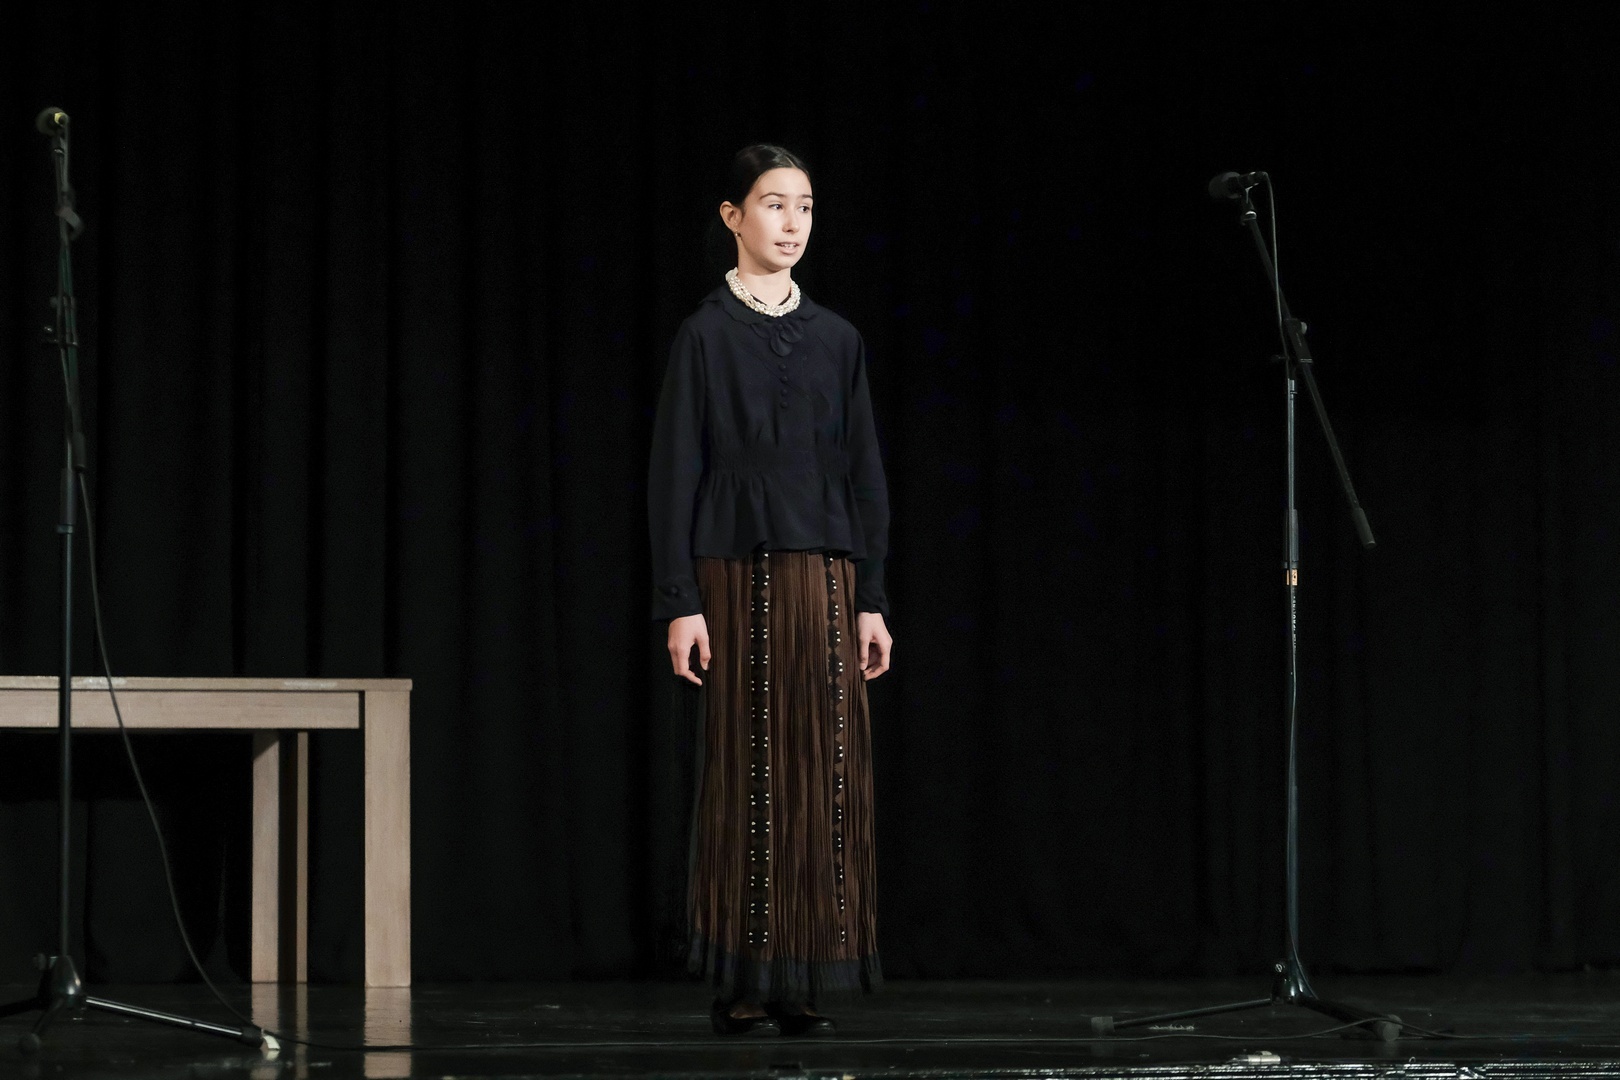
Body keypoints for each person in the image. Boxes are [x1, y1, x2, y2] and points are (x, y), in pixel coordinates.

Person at [648, 144, 893, 1037]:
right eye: (774, 204)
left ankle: (805, 974)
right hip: (737, 573)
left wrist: (871, 597)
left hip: (825, 576)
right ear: (733, 216)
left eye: (805, 207)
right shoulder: (706, 334)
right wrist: (679, 599)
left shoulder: (837, 338)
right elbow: (674, 472)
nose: (792, 223)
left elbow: (864, 472)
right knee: (751, 771)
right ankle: (745, 980)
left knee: (823, 772)